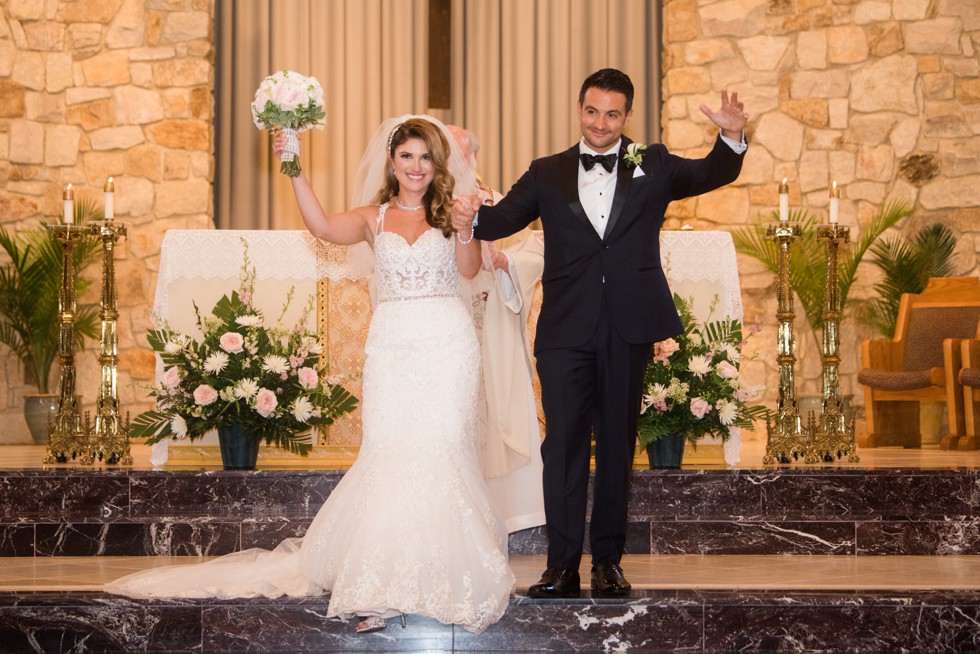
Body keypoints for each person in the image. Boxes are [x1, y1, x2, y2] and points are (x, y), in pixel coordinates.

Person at [106, 115, 516, 635]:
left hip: (446, 344)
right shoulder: (376, 218)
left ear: (438, 163)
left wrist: (465, 227)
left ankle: (438, 577)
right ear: (392, 161)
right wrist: (293, 166)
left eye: (425, 156)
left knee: (440, 449)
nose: (416, 166)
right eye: (407, 155)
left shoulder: (452, 213)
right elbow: (322, 228)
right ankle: (380, 582)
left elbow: (468, 270)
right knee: (390, 451)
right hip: (393, 347)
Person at [451, 68, 749, 598]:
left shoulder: (652, 163)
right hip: (566, 328)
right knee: (562, 446)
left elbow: (711, 173)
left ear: (627, 116)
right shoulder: (547, 172)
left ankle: (607, 563)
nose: (600, 123)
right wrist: (466, 214)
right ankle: (561, 567)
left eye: (612, 114)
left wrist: (729, 138)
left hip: (629, 325)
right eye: (592, 111)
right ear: (580, 108)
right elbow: (501, 221)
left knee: (616, 444)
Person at [448, 124, 546, 534]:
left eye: (461, 151)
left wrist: (509, 264)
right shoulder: (423, 201)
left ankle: (502, 509)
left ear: (473, 157)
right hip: (447, 322)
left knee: (496, 409)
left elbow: (538, 246)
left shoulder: (499, 203)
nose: (455, 159)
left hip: (492, 321)